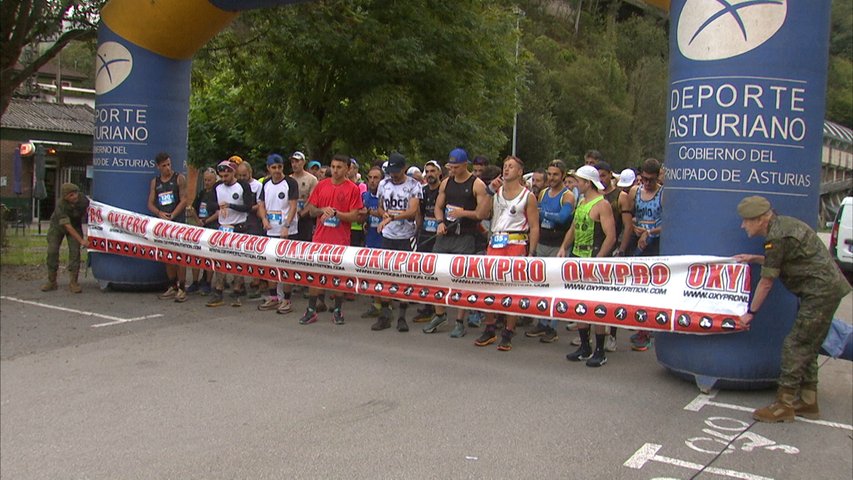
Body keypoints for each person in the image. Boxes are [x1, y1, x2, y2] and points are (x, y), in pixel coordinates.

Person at [733, 196, 851, 423]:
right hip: (823, 289)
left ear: (760, 219)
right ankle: (807, 400)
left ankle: (784, 404)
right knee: (808, 344)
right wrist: (754, 258)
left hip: (820, 292)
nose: (743, 225)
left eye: (746, 221)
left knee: (795, 345)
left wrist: (751, 313)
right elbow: (780, 259)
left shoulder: (776, 236)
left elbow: (767, 282)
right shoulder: (783, 226)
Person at [422, 148, 490, 338]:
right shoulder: (446, 182)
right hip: (445, 236)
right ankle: (439, 314)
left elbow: (482, 214)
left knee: (461, 279)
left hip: (465, 236)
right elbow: (438, 207)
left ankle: (460, 320)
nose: (452, 169)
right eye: (450, 166)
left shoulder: (476, 184)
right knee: (435, 274)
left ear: (465, 165)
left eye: (456, 166)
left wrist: (463, 214)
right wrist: (440, 222)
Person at [473, 156, 539, 351]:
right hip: (496, 242)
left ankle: (509, 331)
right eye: (505, 166)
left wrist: (531, 252)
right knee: (489, 287)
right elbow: (481, 214)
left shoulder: (528, 196)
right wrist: (488, 191)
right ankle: (490, 326)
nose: (507, 169)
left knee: (512, 289)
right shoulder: (496, 192)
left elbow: (534, 226)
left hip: (516, 243)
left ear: (520, 172)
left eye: (511, 167)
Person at [558, 165, 616, 367]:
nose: (576, 184)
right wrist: (564, 247)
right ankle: (585, 345)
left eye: (579, 181)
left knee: (596, 304)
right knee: (579, 302)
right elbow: (573, 228)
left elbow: (611, 236)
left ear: (587, 182)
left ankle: (600, 349)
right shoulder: (582, 202)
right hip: (578, 255)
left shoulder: (602, 204)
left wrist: (599, 258)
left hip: (593, 254)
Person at [299, 154, 364, 325]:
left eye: (339, 167)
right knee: (315, 275)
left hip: (340, 240)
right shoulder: (322, 185)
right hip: (320, 239)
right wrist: (323, 211)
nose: (335, 170)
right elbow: (311, 211)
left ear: (348, 169)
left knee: (338, 277)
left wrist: (336, 213)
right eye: (333, 167)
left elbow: (355, 216)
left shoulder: (353, 189)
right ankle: (311, 310)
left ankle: (337, 310)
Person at [371, 153, 422, 333]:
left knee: (404, 276)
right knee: (385, 274)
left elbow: (412, 210)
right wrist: (383, 214)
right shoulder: (384, 184)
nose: (393, 175)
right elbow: (379, 206)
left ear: (404, 168)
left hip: (405, 236)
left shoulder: (414, 185)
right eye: (391, 171)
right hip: (388, 235)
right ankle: (385, 314)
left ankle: (402, 315)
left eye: (397, 171)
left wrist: (392, 216)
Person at [526, 160, 574, 343]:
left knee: (555, 286)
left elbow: (562, 218)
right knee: (540, 284)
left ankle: (552, 327)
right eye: (550, 174)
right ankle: (541, 323)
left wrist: (541, 212)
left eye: (555, 174)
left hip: (557, 244)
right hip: (542, 242)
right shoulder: (544, 193)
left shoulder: (567, 196)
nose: (552, 178)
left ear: (562, 175)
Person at [205, 159, 256, 307]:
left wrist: (231, 205)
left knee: (237, 259)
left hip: (239, 226)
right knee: (221, 258)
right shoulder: (217, 187)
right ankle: (219, 289)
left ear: (233, 172)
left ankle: (238, 287)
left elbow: (248, 206)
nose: (224, 178)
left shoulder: (243, 186)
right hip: (223, 226)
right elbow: (210, 205)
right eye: (222, 175)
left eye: (227, 175)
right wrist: (219, 206)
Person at [626, 158, 664, 352]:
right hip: (638, 241)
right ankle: (641, 325)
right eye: (644, 179)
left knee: (652, 287)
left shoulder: (663, 194)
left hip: (654, 243)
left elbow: (669, 223)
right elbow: (630, 215)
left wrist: (651, 232)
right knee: (637, 285)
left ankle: (647, 331)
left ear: (658, 177)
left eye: (651, 180)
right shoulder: (636, 192)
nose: (647, 183)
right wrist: (633, 226)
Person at [257, 154, 300, 314]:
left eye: (279, 167)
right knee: (271, 265)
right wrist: (264, 219)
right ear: (268, 168)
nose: (276, 171)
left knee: (286, 266)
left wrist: (286, 226)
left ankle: (287, 299)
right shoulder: (266, 184)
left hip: (287, 232)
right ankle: (274, 297)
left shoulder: (290, 183)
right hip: (271, 230)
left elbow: (293, 205)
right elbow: (261, 204)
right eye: (273, 168)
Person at [147, 152, 189, 302]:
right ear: (158, 166)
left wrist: (172, 215)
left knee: (180, 256)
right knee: (167, 255)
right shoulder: (155, 182)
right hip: (163, 224)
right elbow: (150, 203)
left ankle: (182, 287)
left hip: (177, 223)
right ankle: (172, 285)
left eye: (169, 164)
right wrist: (159, 213)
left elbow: (184, 200)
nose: (167, 168)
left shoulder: (179, 178)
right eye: (164, 165)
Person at [41, 183, 90, 293]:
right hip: (58, 226)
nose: (75, 197)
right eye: (71, 195)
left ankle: (74, 282)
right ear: (65, 197)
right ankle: (52, 281)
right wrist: (82, 240)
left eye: (76, 193)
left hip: (76, 224)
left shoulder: (83, 200)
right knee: (52, 251)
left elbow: (92, 210)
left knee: (75, 252)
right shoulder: (60, 206)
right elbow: (67, 226)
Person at [412, 160, 444, 323]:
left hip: (440, 236)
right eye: (427, 171)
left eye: (433, 171)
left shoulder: (444, 190)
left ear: (439, 173)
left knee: (436, 272)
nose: (430, 174)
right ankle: (427, 306)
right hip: (424, 234)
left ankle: (437, 307)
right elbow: (419, 213)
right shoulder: (422, 191)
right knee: (424, 270)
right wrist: (417, 230)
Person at [359, 166, 386, 320]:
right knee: (373, 274)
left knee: (384, 274)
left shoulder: (386, 195)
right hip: (370, 239)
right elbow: (362, 217)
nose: (372, 181)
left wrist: (369, 212)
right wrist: (363, 218)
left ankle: (386, 305)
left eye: (376, 178)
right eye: (370, 177)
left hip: (385, 240)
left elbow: (387, 215)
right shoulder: (366, 196)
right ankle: (376, 304)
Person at [187, 167, 218, 295]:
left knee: (209, 256)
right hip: (200, 227)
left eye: (209, 180)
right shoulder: (201, 193)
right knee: (196, 255)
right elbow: (192, 208)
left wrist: (207, 221)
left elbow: (219, 212)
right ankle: (195, 281)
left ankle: (208, 282)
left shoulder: (217, 194)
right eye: (205, 180)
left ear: (215, 180)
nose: (207, 182)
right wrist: (197, 220)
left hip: (212, 226)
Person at [236, 161, 265, 299]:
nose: (242, 178)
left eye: (244, 175)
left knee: (254, 253)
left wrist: (247, 208)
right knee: (238, 253)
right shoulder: (236, 185)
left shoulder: (258, 186)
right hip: (239, 220)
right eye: (239, 175)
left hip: (254, 221)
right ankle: (239, 282)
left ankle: (256, 282)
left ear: (250, 173)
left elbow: (260, 205)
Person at [290, 151, 319, 245]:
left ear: (303, 162)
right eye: (293, 162)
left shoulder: (311, 179)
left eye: (297, 161)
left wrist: (301, 214)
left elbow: (312, 200)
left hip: (305, 217)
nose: (295, 164)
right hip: (290, 216)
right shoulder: (288, 179)